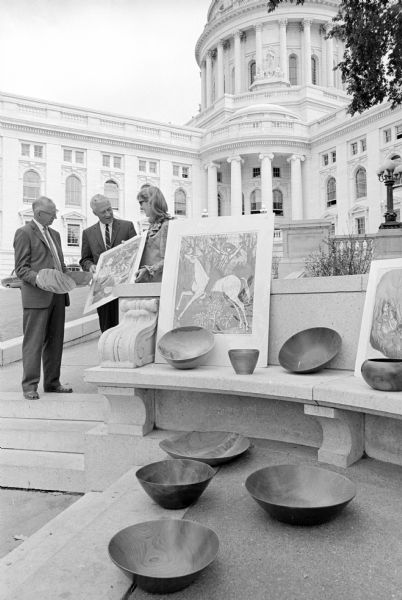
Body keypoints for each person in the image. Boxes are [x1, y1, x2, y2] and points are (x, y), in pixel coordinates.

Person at [13, 196, 73, 400]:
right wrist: (40, 280)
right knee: (34, 342)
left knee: (55, 341)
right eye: (52, 212)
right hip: (36, 296)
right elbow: (21, 269)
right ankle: (29, 386)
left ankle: (52, 383)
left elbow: (60, 265)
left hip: (58, 296)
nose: (56, 216)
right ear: (39, 214)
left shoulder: (55, 234)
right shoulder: (24, 233)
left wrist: (74, 278)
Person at [80, 194, 136, 332]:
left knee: (126, 330)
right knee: (106, 330)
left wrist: (129, 250)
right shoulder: (88, 233)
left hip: (125, 289)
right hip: (102, 291)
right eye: (103, 212)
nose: (108, 214)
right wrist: (90, 266)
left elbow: (138, 252)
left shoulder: (127, 227)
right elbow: (84, 259)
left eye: (109, 209)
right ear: (94, 213)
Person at [135, 185, 173, 283]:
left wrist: (149, 270)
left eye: (141, 202)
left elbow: (170, 259)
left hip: (158, 286)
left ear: (151, 202)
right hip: (148, 284)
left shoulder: (166, 225)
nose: (140, 206)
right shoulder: (153, 225)